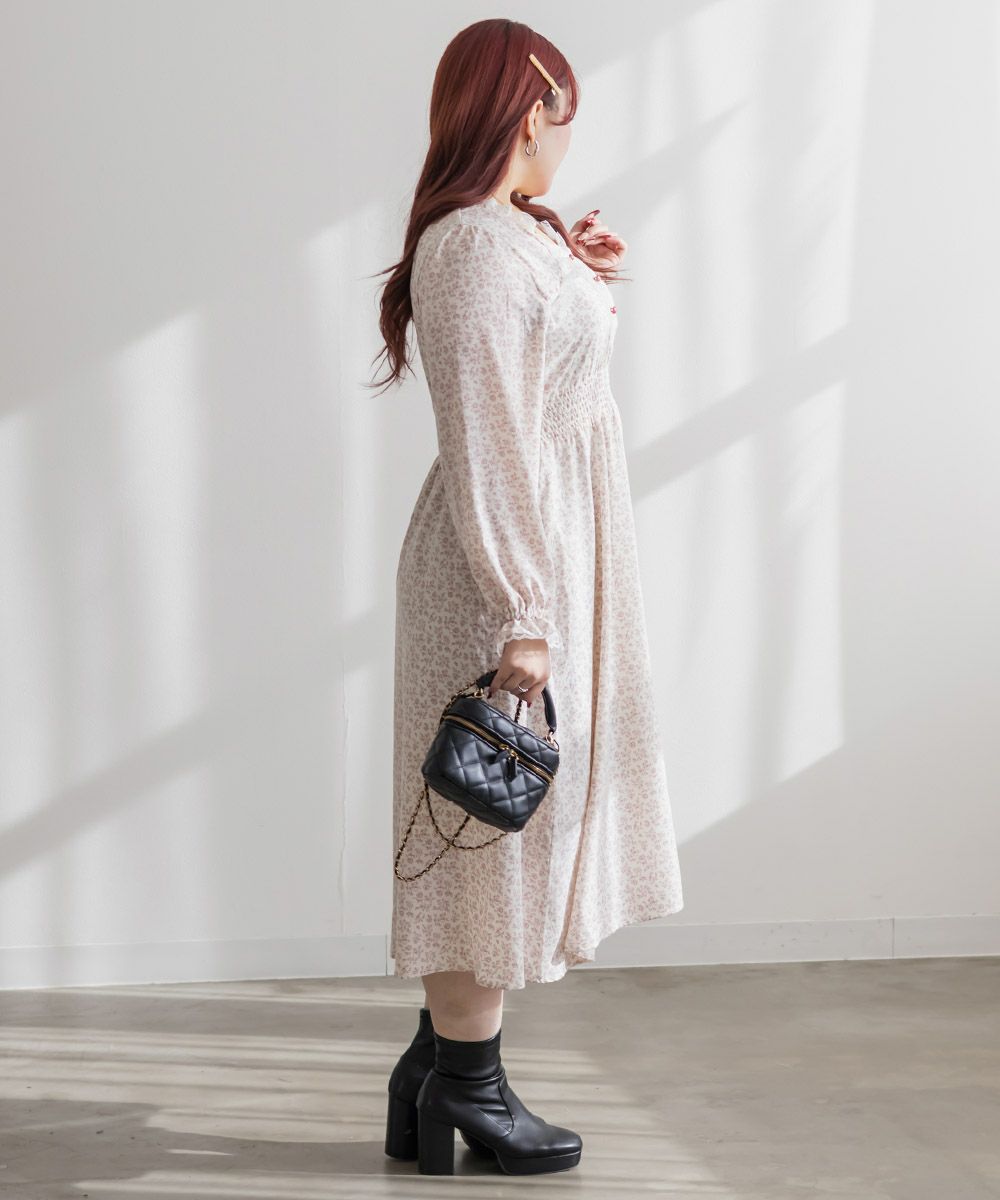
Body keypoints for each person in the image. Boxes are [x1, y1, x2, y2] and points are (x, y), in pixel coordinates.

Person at [369, 18, 684, 1176]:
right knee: (486, 831)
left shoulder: (510, 237)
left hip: (545, 555)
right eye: (563, 114)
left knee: (505, 819)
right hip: (501, 570)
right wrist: (522, 611)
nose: (565, 138)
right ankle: (470, 1087)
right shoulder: (471, 248)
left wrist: (579, 281)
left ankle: (431, 1072)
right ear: (525, 110)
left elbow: (548, 389)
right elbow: (490, 438)